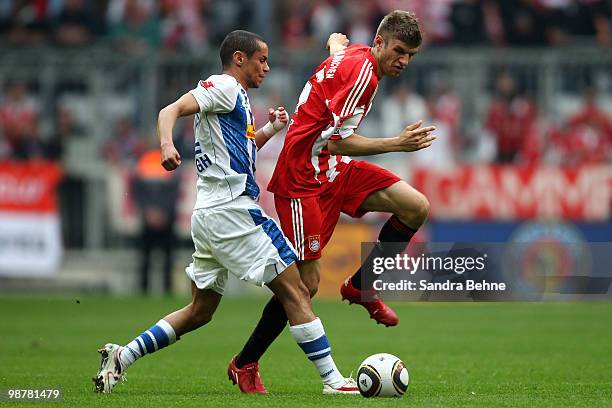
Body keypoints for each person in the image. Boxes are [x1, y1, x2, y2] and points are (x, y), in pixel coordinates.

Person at [93, 30, 358, 395]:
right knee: (298, 289)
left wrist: (269, 130)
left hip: (209, 214)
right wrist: (167, 145)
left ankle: (122, 356)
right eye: (261, 60)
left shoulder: (238, 100)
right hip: (233, 210)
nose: (266, 67)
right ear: (239, 58)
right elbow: (169, 110)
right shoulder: (224, 87)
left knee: (200, 311)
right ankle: (333, 381)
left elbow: (239, 152)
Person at [230, 10, 436, 393]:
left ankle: (361, 287)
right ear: (379, 43)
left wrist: (334, 45)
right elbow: (337, 139)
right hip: (303, 177)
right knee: (304, 286)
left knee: (415, 206)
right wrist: (397, 143)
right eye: (399, 50)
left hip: (331, 167)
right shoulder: (363, 74)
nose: (404, 61)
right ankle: (245, 362)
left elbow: (338, 49)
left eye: (411, 55)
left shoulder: (355, 56)